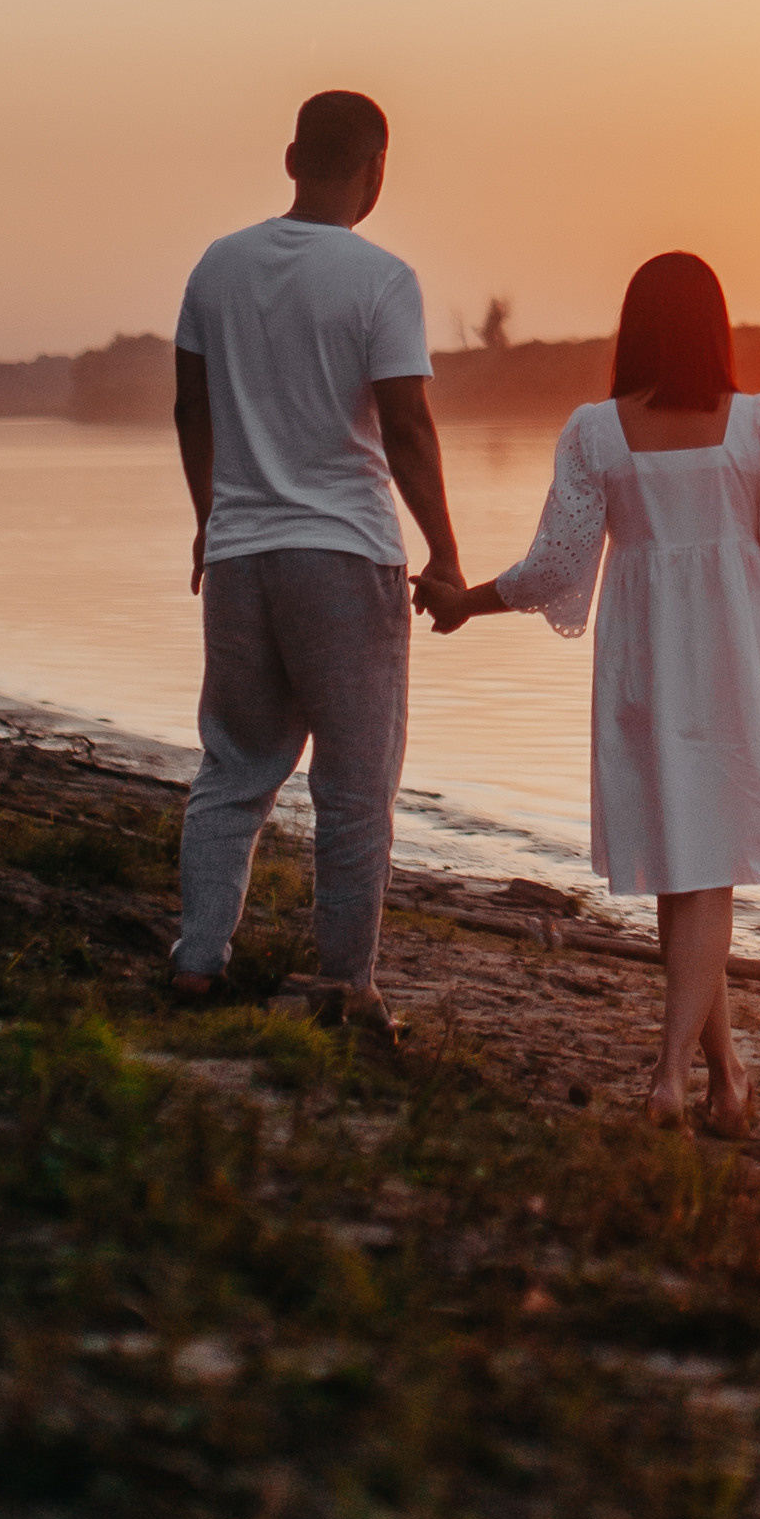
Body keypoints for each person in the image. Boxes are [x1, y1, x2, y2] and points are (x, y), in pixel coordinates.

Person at [426, 252, 760, 1129]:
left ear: (631, 326)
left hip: (645, 658)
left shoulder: (595, 430)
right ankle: (669, 1079)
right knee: (703, 869)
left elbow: (556, 567)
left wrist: (466, 603)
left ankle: (727, 1078)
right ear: (715, 326)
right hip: (735, 664)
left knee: (689, 867)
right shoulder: (758, 424)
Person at [170, 89, 464, 1032]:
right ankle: (345, 982)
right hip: (343, 558)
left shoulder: (218, 267)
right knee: (354, 780)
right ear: (376, 170)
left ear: (292, 156)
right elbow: (408, 427)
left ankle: (197, 960)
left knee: (234, 764)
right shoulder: (380, 278)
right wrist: (446, 553)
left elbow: (190, 407)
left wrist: (210, 518)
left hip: (243, 556)